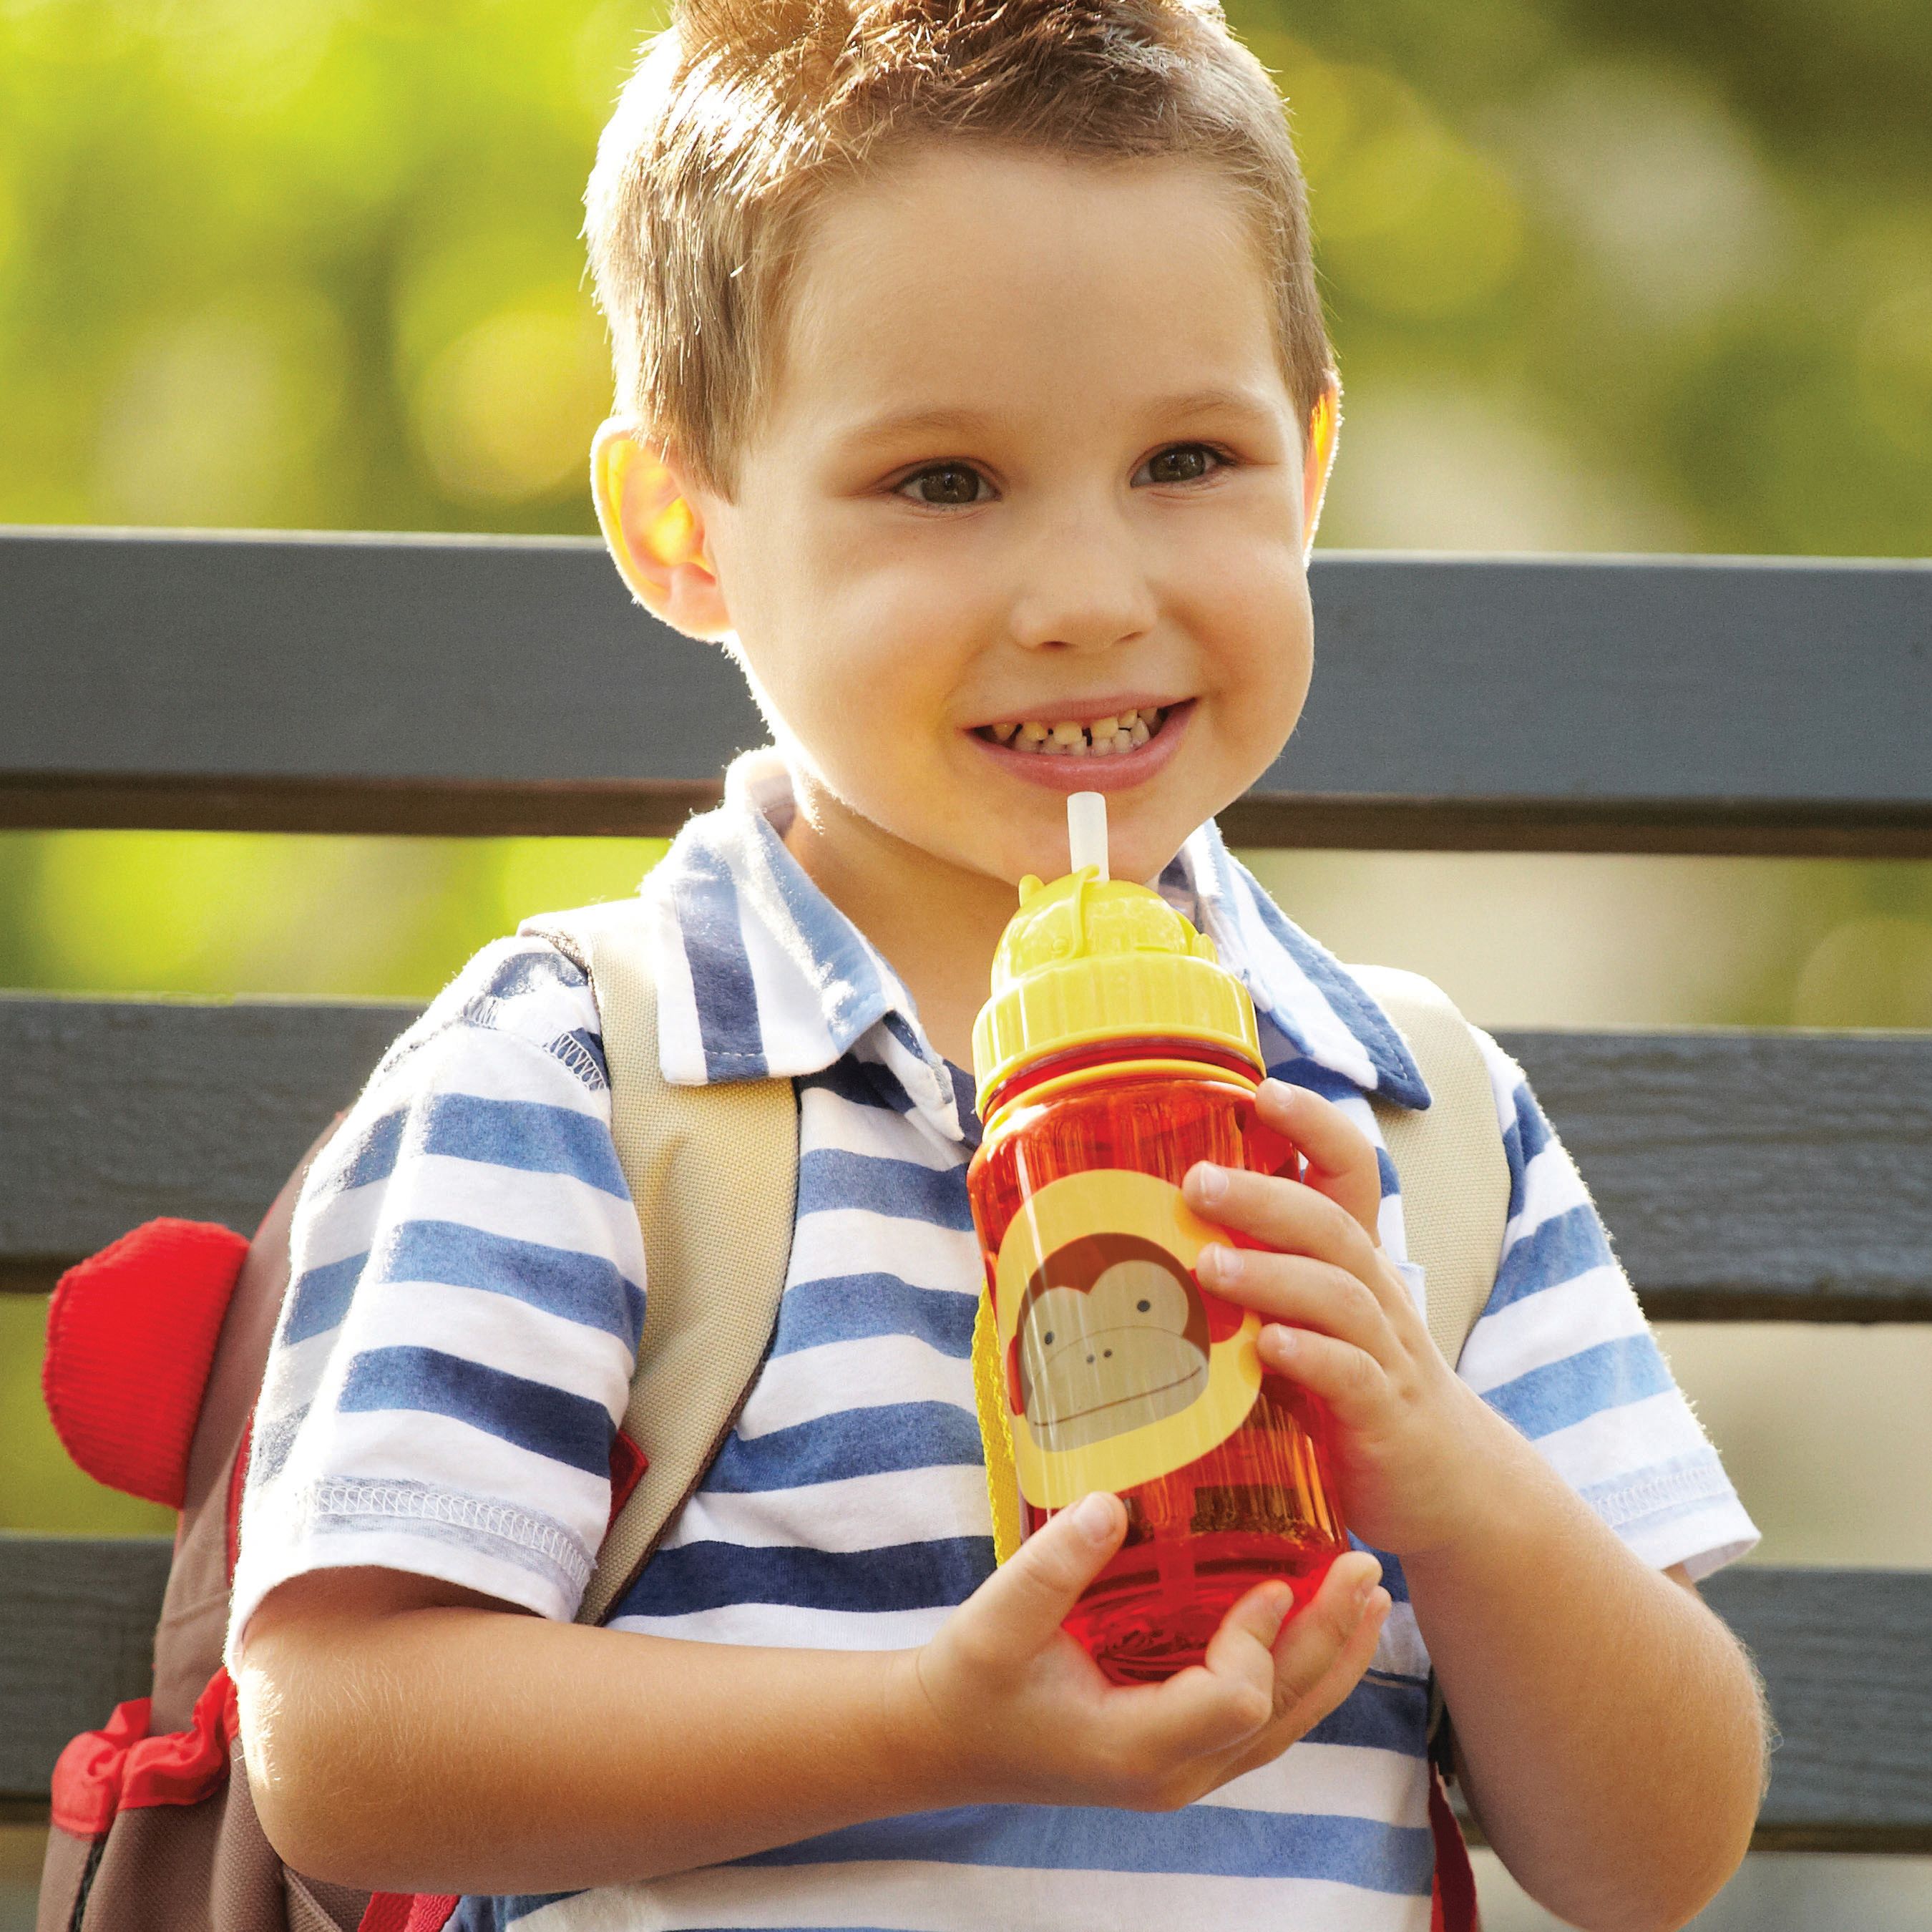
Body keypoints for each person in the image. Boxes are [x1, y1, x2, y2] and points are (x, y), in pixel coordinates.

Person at [230, 4, 1768, 1927]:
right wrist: (920, 1723)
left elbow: (1655, 1853)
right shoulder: (589, 1074)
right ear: (681, 528)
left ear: (1306, 465)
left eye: (1184, 457)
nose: (1086, 598)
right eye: (942, 482)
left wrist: (1446, 1470)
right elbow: (348, 1746)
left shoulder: (1407, 1110)